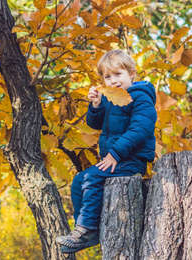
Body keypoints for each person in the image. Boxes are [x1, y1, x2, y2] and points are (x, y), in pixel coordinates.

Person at [56, 49, 157, 254]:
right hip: (114, 159)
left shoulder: (140, 97)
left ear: (132, 74)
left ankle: (86, 229)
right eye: (107, 77)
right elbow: (95, 124)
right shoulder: (111, 99)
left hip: (129, 160)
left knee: (92, 178)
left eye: (118, 74)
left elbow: (140, 129)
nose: (113, 81)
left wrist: (115, 154)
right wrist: (95, 105)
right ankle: (84, 229)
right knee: (79, 180)